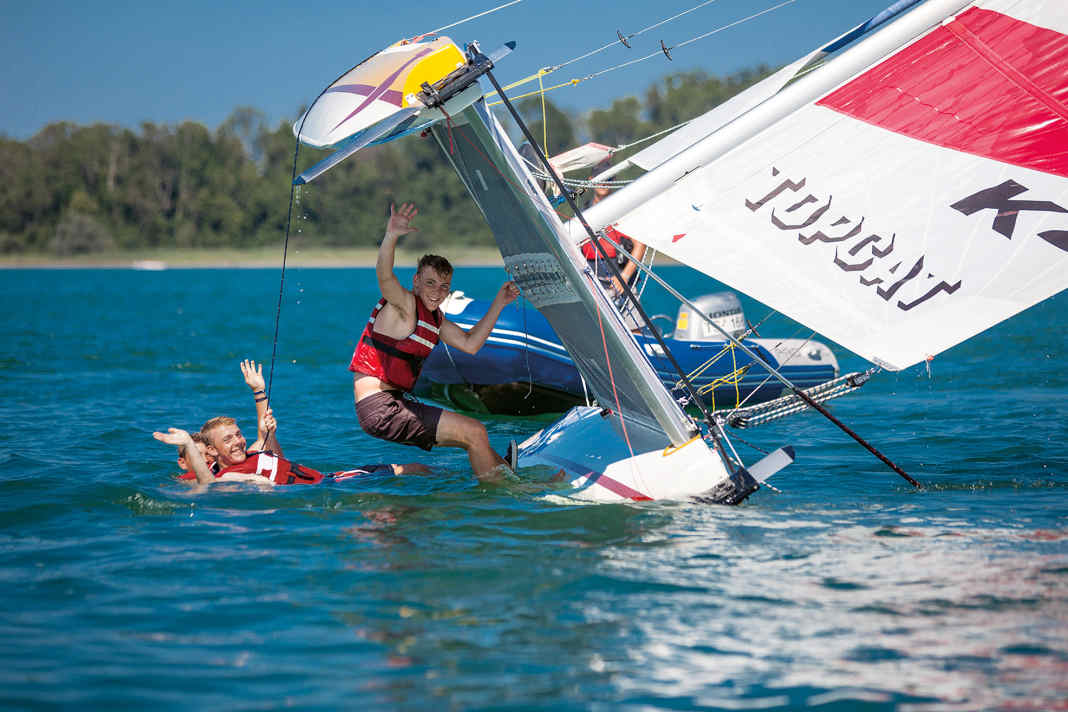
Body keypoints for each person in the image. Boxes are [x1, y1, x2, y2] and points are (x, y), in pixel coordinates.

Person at [350, 202, 520, 480]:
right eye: (430, 283)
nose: (437, 292)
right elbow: (384, 275)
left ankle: (505, 475)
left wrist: (499, 303)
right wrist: (391, 235)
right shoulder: (403, 305)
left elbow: (471, 344)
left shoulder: (436, 320)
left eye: (444, 287)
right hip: (379, 407)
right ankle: (503, 494)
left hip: (393, 404)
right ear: (416, 281)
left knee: (473, 435)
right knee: (475, 431)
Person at [154, 411, 428, 486]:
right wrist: (189, 445)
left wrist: (258, 392)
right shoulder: (227, 476)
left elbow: (268, 438)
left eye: (237, 435)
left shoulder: (251, 453)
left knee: (414, 469)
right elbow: (205, 482)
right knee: (409, 471)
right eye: (227, 440)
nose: (237, 441)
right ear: (212, 452)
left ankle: (453, 476)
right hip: (332, 487)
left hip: (334, 478)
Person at [581, 164, 648, 330]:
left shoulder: (621, 212)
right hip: (594, 280)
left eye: (609, 179)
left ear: (614, 181)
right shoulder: (581, 214)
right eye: (600, 179)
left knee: (635, 329)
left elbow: (640, 246)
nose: (604, 183)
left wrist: (624, 276)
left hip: (622, 280)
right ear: (591, 181)